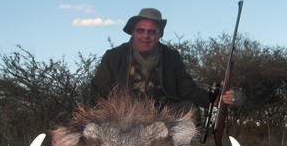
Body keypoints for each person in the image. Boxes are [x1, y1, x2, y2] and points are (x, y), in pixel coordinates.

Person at [90, 7, 235, 116]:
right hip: (124, 115)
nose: (145, 36)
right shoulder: (114, 56)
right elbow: (98, 92)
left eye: (152, 31)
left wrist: (214, 99)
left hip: (162, 115)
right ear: (133, 32)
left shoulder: (172, 56)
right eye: (141, 30)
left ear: (159, 34)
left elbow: (187, 89)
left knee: (189, 110)